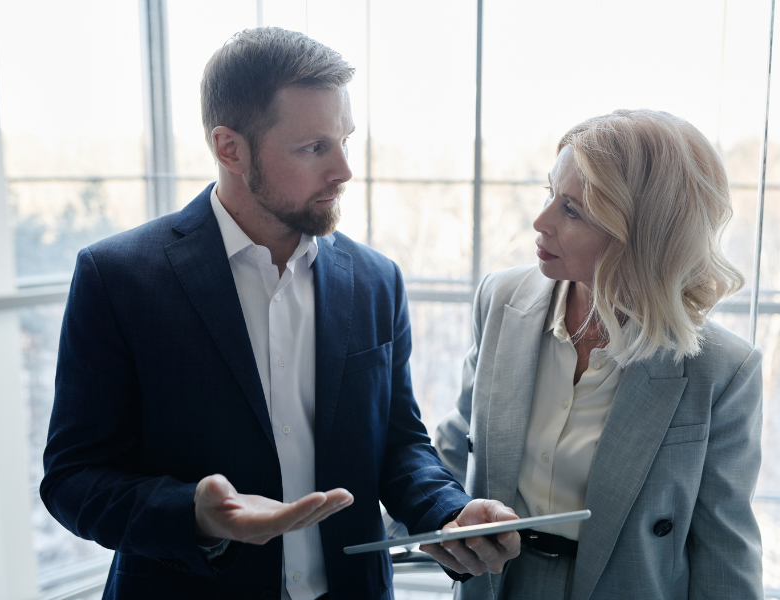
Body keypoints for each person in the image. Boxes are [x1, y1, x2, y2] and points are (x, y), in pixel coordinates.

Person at [40, 27, 518, 600]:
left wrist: (448, 512)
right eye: (314, 147)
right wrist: (194, 514)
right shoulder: (117, 278)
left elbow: (398, 444)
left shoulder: (376, 280)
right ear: (230, 148)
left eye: (345, 140)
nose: (343, 170)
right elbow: (74, 479)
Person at [432, 109, 764, 599]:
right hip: (494, 587)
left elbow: (724, 551)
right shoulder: (501, 299)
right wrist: (438, 516)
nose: (540, 221)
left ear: (642, 237)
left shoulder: (721, 370)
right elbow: (457, 444)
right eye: (550, 193)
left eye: (572, 211)